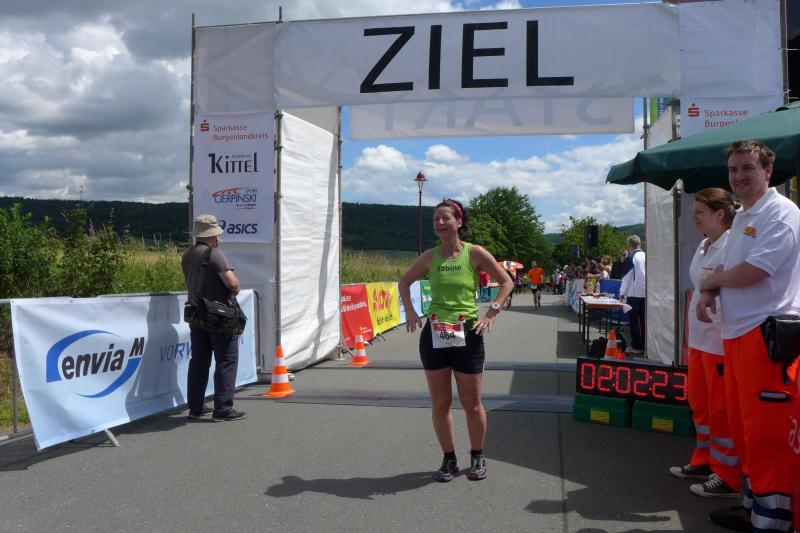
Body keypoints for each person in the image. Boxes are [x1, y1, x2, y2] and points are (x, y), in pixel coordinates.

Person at [697, 141, 800, 532]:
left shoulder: (781, 212)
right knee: (744, 430)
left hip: (767, 336)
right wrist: (710, 288)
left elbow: (755, 270)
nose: (738, 176)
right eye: (733, 170)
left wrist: (713, 282)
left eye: (747, 168)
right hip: (738, 335)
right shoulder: (743, 215)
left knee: (768, 434)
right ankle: (754, 507)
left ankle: (773, 522)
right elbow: (728, 267)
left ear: (768, 171)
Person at [399, 199, 513, 483]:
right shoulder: (430, 256)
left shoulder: (475, 253)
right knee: (441, 403)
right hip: (435, 334)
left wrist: (492, 312)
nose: (439, 223)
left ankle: (477, 455)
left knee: (471, 403)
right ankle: (449, 459)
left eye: (445, 218)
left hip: (468, 334)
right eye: (435, 219)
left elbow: (507, 282)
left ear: (459, 222)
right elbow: (404, 282)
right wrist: (410, 311)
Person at [669, 188, 740, 499]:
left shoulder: (733, 244)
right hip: (699, 340)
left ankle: (727, 476)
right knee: (699, 403)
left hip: (719, 340)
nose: (694, 218)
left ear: (719, 214)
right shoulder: (704, 244)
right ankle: (704, 460)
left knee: (720, 409)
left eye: (699, 212)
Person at [181, 214, 246, 422]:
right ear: (212, 236)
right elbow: (232, 283)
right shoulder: (214, 254)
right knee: (226, 360)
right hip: (219, 315)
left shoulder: (188, 255)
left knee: (199, 361)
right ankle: (223, 409)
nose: (219, 238)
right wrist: (235, 286)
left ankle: (196, 407)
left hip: (196, 313)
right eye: (217, 234)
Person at [619, 235, 646, 354]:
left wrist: (621, 293)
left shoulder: (630, 257)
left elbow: (626, 277)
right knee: (644, 321)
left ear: (629, 246)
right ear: (639, 244)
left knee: (634, 322)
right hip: (645, 293)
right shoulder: (646, 255)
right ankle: (645, 345)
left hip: (633, 294)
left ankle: (636, 346)